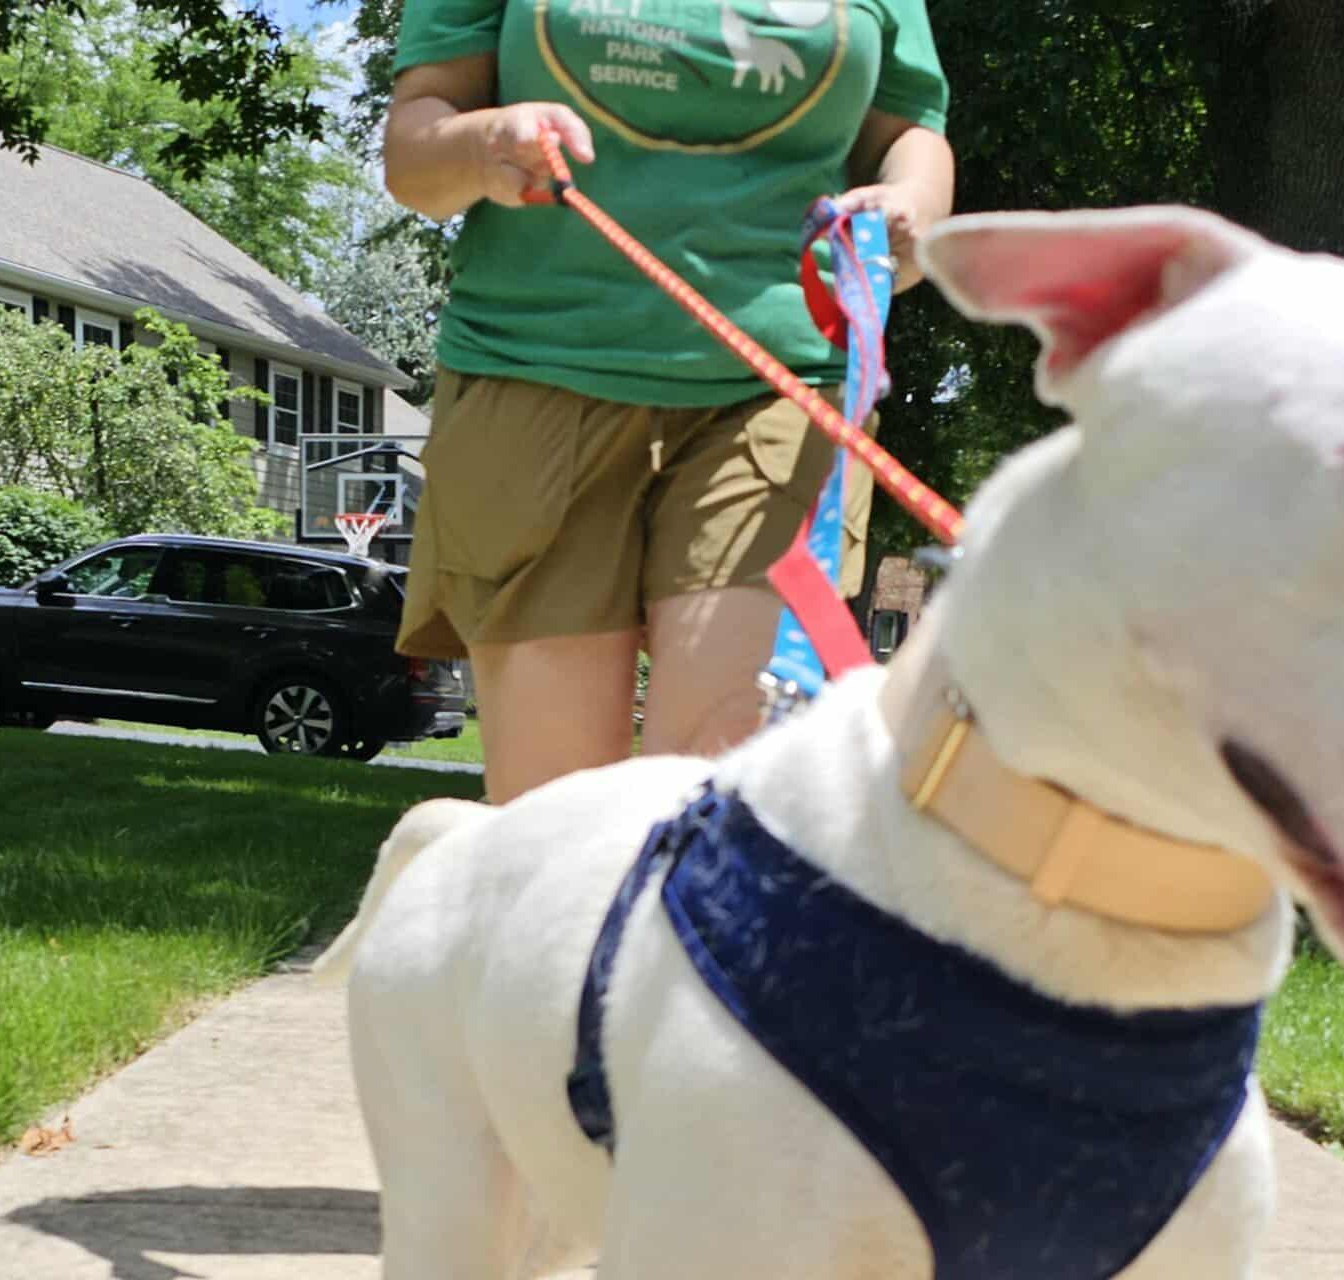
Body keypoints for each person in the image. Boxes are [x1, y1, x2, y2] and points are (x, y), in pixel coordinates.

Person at [384, 0, 954, 804]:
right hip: (535, 375)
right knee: (554, 815)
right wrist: (484, 146)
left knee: (718, 797)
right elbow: (413, 150)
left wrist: (912, 206)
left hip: (778, 394)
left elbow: (909, 132)